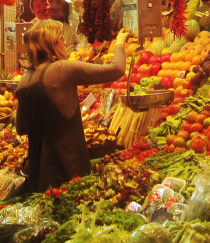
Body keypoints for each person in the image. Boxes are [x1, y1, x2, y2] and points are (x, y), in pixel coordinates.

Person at [15, 22, 128, 193]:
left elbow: (21, 128)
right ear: (50, 44)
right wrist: (119, 42)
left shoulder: (24, 80)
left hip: (38, 169)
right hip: (69, 164)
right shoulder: (61, 69)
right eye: (61, 39)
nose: (65, 43)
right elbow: (117, 69)